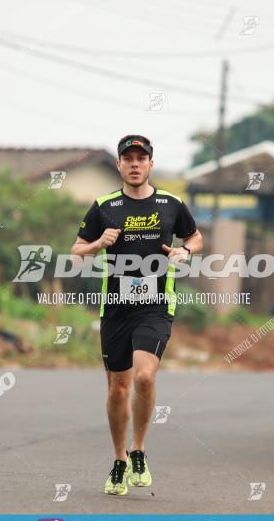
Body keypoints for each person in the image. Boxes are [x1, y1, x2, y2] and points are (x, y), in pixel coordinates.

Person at [71, 135, 202, 495]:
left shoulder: (170, 203)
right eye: (127, 158)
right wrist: (98, 243)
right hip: (115, 308)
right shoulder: (104, 206)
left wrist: (184, 252)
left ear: (150, 165)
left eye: (140, 158)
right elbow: (76, 252)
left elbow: (195, 237)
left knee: (144, 377)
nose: (134, 164)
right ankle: (118, 459)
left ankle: (139, 449)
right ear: (118, 165)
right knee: (118, 390)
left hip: (156, 306)